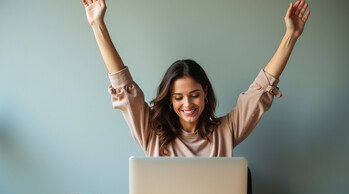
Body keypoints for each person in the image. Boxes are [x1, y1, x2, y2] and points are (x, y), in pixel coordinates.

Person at [81, 0, 310, 157]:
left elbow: (260, 90)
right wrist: (97, 25)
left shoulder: (226, 130)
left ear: (205, 94)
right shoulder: (152, 132)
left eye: (194, 95)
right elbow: (124, 86)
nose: (187, 104)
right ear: (170, 100)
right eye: (178, 97)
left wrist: (291, 36)